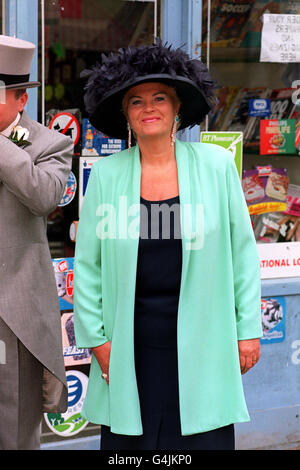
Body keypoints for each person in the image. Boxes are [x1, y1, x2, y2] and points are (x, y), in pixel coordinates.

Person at [74, 41, 262, 450]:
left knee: (200, 442)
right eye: (136, 101)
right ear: (126, 115)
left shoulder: (215, 167)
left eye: (160, 97)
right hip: (129, 341)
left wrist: (247, 330)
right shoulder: (106, 175)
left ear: (178, 108)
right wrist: (98, 340)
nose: (149, 107)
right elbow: (87, 265)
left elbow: (243, 256)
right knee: (133, 448)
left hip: (205, 337)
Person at [0, 35, 73, 450]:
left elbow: (44, 196)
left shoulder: (50, 144)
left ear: (19, 100)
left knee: (15, 425)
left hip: (15, 315)